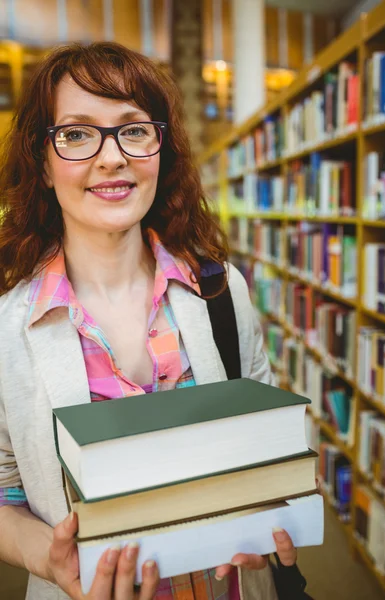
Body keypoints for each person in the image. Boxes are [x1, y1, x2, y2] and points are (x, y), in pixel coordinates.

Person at [0, 42, 309, 600]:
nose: (112, 157)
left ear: (161, 148)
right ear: (42, 165)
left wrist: (268, 510)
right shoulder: (6, 329)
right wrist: (43, 557)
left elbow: (263, 444)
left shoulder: (220, 290)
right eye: (75, 133)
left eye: (133, 129)